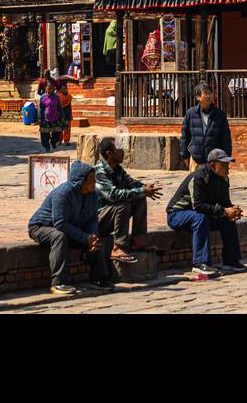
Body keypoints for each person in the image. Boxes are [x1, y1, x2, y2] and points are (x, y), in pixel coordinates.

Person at [27, 160, 113, 295]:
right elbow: (60, 223)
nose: (93, 183)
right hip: (42, 227)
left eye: (93, 179)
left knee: (95, 239)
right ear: (79, 181)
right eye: (90, 180)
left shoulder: (92, 194)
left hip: (70, 226)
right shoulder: (63, 193)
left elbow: (92, 219)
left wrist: (92, 236)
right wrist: (85, 237)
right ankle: (58, 282)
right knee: (59, 237)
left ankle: (99, 278)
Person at [166, 148, 246, 276]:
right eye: (224, 164)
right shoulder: (198, 177)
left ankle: (231, 261)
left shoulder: (224, 179)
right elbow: (198, 205)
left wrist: (232, 210)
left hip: (201, 215)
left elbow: (225, 203)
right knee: (200, 217)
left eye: (228, 164)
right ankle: (200, 263)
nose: (227, 168)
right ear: (213, 165)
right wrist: (224, 211)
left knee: (228, 220)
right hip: (177, 214)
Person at [94, 137, 160, 263]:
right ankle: (118, 247)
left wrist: (145, 187)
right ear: (109, 153)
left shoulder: (118, 169)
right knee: (122, 204)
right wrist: (142, 191)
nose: (123, 152)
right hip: (98, 220)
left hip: (112, 217)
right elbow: (113, 195)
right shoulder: (99, 171)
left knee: (139, 198)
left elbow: (131, 183)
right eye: (119, 149)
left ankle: (138, 240)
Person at [179, 83, 232, 168]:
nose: (208, 96)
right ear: (198, 97)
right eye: (205, 93)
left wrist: (226, 158)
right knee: (196, 181)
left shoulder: (220, 115)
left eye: (210, 93)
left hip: (215, 161)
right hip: (196, 160)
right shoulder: (191, 114)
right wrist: (184, 155)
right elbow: (185, 136)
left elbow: (226, 139)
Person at [39, 79, 62, 151]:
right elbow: (40, 109)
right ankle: (46, 146)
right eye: (48, 89)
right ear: (46, 88)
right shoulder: (43, 97)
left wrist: (62, 116)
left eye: (51, 89)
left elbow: (59, 107)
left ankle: (53, 142)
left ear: (53, 89)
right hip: (45, 119)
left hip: (55, 118)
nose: (49, 90)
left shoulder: (56, 97)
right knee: (45, 134)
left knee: (57, 133)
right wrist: (40, 118)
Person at [57, 81, 73, 146]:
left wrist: (70, 115)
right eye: (62, 88)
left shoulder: (69, 97)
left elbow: (70, 107)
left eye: (65, 88)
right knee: (59, 129)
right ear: (60, 89)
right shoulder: (58, 96)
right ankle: (59, 140)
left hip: (67, 114)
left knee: (67, 128)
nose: (64, 90)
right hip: (59, 114)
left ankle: (66, 141)